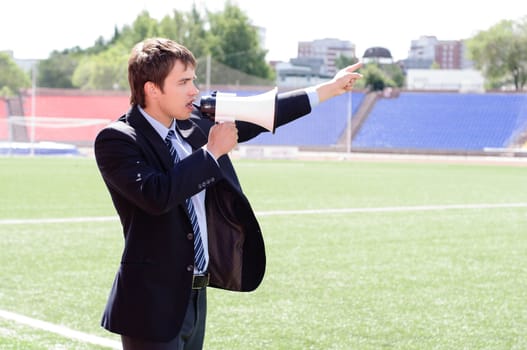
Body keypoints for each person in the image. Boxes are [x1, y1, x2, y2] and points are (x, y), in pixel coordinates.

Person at [94, 37, 362, 350]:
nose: (194, 90)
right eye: (183, 82)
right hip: (150, 303)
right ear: (152, 88)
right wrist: (211, 153)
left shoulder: (195, 122)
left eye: (192, 80)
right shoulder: (118, 139)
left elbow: (265, 113)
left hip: (194, 296)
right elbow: (157, 195)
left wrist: (329, 88)